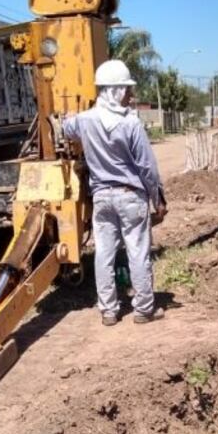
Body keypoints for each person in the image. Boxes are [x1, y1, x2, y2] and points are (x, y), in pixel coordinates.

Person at [62, 59, 166, 326]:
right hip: (130, 195)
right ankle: (143, 309)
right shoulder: (130, 124)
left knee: (104, 254)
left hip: (102, 198)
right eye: (127, 90)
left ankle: (109, 311)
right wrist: (158, 199)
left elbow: (64, 128)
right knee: (138, 251)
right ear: (116, 91)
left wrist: (63, 118)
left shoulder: (84, 121)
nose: (130, 96)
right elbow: (147, 167)